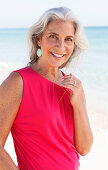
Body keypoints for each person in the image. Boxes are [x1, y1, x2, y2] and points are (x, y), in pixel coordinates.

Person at [0, 7, 93, 170]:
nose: (61, 46)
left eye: (68, 39)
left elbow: (84, 148)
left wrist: (78, 104)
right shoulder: (18, 82)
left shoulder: (74, 87)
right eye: (53, 37)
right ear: (38, 39)